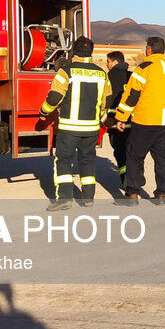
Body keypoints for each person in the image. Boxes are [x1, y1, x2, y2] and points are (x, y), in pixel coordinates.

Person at [39, 36, 111, 210]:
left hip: (69, 129)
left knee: (63, 161)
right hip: (91, 129)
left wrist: (44, 111)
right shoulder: (101, 73)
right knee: (87, 161)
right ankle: (88, 198)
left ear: (74, 51)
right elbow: (106, 102)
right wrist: (97, 116)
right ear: (91, 52)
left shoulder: (66, 71)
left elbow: (55, 97)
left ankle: (64, 199)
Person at [114, 36, 165, 205]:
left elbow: (131, 95)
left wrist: (121, 116)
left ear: (149, 50)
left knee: (134, 156)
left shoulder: (143, 69)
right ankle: (160, 195)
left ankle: (131, 194)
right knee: (161, 159)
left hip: (145, 121)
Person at [104, 50, 131, 188]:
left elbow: (112, 99)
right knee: (132, 152)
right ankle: (138, 174)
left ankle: (126, 180)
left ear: (115, 62)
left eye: (108, 61)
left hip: (117, 123)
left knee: (120, 152)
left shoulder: (111, 76)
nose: (106, 64)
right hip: (133, 122)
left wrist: (110, 117)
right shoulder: (131, 75)